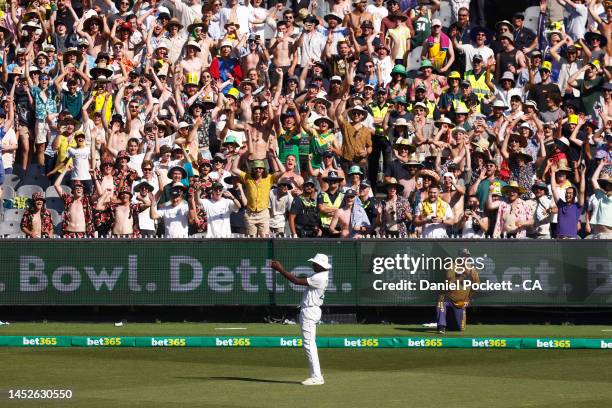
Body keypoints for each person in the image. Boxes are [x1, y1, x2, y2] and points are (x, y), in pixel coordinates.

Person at [270, 253, 331, 386]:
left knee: (309, 344)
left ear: (320, 265)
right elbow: (300, 279)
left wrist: (280, 269)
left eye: (315, 263)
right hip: (311, 310)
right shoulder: (321, 275)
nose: (312, 265)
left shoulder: (319, 277)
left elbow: (296, 281)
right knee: (310, 344)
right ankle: (316, 375)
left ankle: (316, 376)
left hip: (310, 310)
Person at [436, 248, 480, 334]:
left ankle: (449, 323)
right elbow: (450, 282)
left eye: (467, 256)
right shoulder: (452, 265)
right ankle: (441, 326)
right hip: (449, 297)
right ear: (459, 256)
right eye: (463, 256)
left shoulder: (471, 269)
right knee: (441, 299)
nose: (465, 258)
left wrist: (468, 299)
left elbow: (476, 284)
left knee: (459, 328)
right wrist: (463, 276)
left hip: (461, 302)